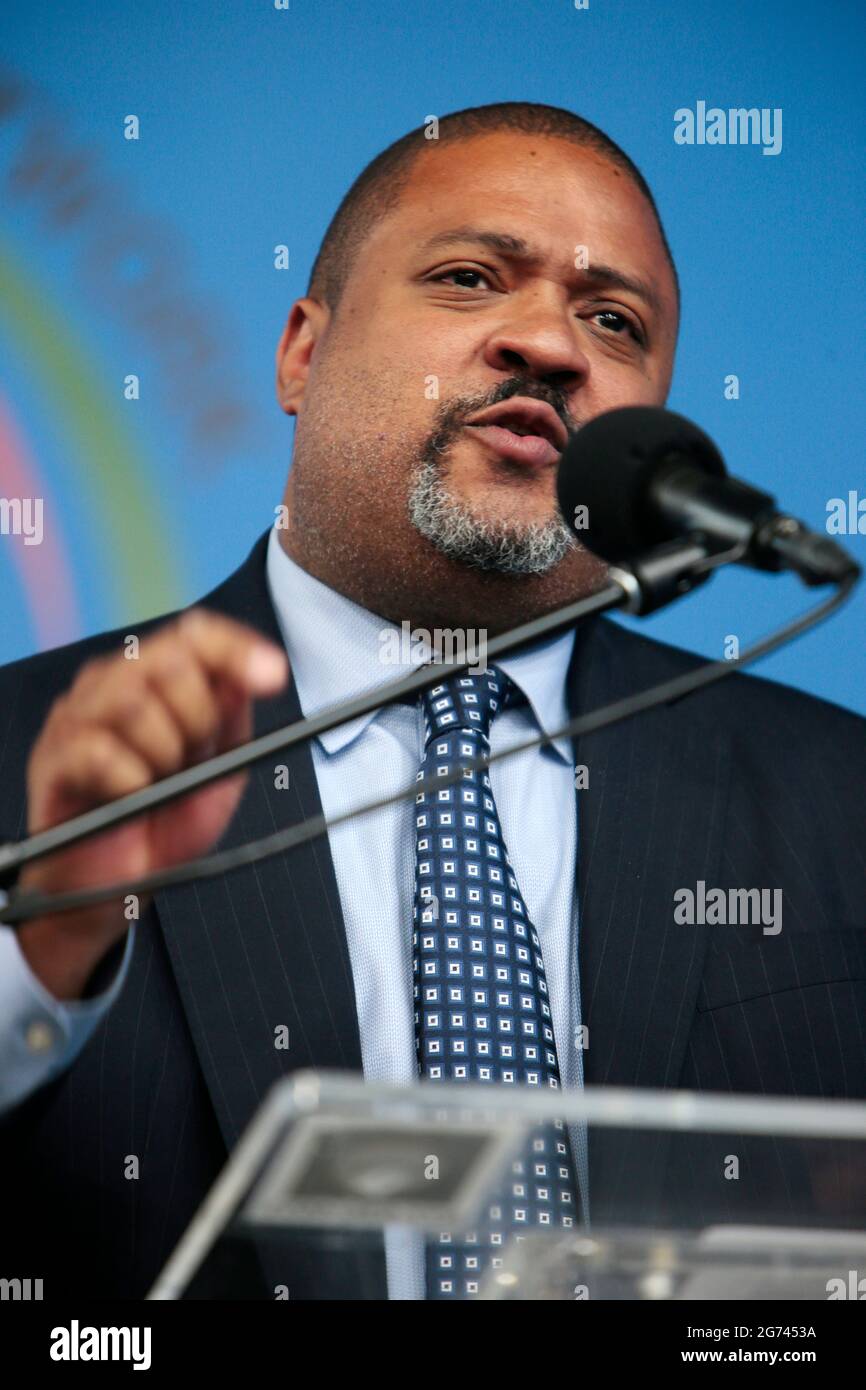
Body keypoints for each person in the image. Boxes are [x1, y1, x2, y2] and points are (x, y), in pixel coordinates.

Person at [0, 103, 863, 1301]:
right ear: (303, 351)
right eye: (468, 277)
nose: (551, 345)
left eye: (611, 322)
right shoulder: (25, 759)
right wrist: (42, 951)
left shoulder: (836, 801)